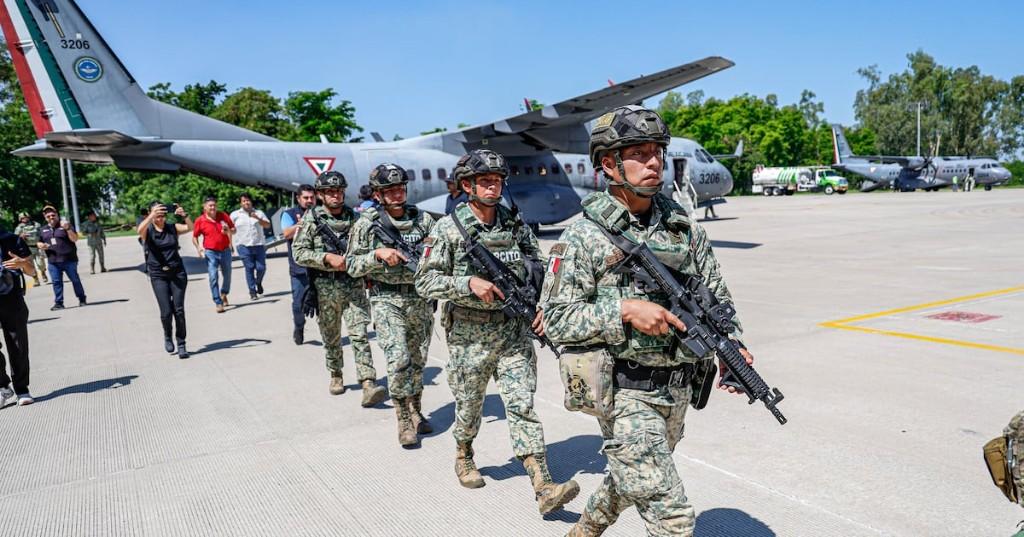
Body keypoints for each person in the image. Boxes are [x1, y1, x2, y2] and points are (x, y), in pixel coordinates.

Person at [540, 105, 755, 537]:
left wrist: (731, 345)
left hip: (677, 388)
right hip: (624, 394)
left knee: (630, 478)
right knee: (672, 518)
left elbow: (716, 296)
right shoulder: (585, 237)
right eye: (638, 153)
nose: (654, 161)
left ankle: (584, 529)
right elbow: (557, 319)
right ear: (608, 163)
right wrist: (623, 310)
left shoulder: (682, 228)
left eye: (657, 151)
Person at [415, 149, 579, 514]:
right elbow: (423, 281)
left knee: (522, 403)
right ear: (468, 186)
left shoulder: (514, 223)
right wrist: (467, 283)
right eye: (485, 182)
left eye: (498, 181)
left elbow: (537, 267)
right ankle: (464, 454)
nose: (493, 187)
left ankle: (543, 483)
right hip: (469, 337)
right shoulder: (447, 228)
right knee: (470, 404)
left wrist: (540, 307)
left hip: (513, 332)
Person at [348, 163, 436, 447]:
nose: (397, 194)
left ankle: (416, 408)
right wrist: (377, 254)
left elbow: (440, 254)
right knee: (398, 360)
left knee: (418, 361)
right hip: (386, 298)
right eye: (390, 190)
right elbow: (351, 264)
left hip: (419, 298)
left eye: (400, 188)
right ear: (378, 194)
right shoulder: (366, 223)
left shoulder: (423, 220)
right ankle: (403, 419)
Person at [292, 171, 387, 405]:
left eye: (339, 191)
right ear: (321, 195)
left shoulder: (356, 219)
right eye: (329, 192)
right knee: (331, 336)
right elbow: (298, 253)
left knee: (359, 334)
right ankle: (336, 373)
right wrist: (326, 258)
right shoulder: (311, 219)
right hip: (324, 287)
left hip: (353, 285)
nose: (335, 195)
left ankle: (368, 381)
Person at [138, 202, 193, 358]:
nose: (160, 216)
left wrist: (185, 215)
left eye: (162, 213)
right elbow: (139, 230)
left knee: (179, 310)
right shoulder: (147, 230)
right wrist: (151, 216)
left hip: (177, 273)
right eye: (157, 213)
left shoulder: (172, 228)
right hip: (158, 275)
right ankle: (167, 336)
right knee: (166, 312)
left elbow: (190, 228)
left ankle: (181, 343)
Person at [0, 224, 37, 406]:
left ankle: (22, 389)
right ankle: (3, 387)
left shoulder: (12, 240)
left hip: (11, 298)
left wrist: (22, 263)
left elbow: (32, 271)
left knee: (18, 345)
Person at [281, 184, 316, 345]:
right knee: (298, 304)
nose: (309, 201)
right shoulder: (289, 214)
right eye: (306, 198)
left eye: (312, 197)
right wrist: (300, 225)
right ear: (298, 198)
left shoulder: (320, 213)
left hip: (318, 268)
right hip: (299, 269)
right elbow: (286, 234)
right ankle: (299, 326)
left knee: (324, 304)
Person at [38, 206, 86, 310]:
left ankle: (82, 299)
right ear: (45, 217)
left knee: (75, 280)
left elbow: (74, 239)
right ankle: (59, 303)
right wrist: (40, 245)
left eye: (53, 215)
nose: (51, 217)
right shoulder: (43, 229)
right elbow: (39, 241)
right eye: (48, 216)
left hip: (69, 259)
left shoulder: (65, 225)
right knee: (56, 282)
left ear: (57, 215)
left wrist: (68, 229)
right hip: (53, 261)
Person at [192, 196, 235, 313]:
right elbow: (195, 236)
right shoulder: (200, 220)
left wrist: (228, 231)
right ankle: (218, 302)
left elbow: (233, 229)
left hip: (225, 250)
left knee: (227, 275)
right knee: (213, 276)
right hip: (211, 252)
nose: (213, 207)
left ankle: (224, 293)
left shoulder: (223, 216)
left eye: (214, 205)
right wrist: (199, 248)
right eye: (210, 205)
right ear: (205, 207)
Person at [230, 193, 271, 301]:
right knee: (249, 268)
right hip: (243, 245)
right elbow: (230, 230)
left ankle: (258, 282)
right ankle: (252, 292)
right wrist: (230, 244)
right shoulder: (235, 215)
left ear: (251, 202)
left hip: (258, 245)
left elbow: (267, 225)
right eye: (244, 201)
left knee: (261, 268)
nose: (246, 203)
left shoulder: (259, 213)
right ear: (241, 203)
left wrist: (257, 218)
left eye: (248, 200)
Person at [14, 212, 47, 285]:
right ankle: (35, 279)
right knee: (31, 265)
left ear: (29, 217)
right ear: (20, 219)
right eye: (22, 218)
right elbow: (15, 239)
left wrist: (43, 243)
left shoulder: (36, 225)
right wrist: (21, 236)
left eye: (26, 217)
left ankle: (43, 273)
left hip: (37, 247)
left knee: (41, 263)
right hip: (27, 249)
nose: (25, 219)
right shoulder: (19, 228)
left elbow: (42, 234)